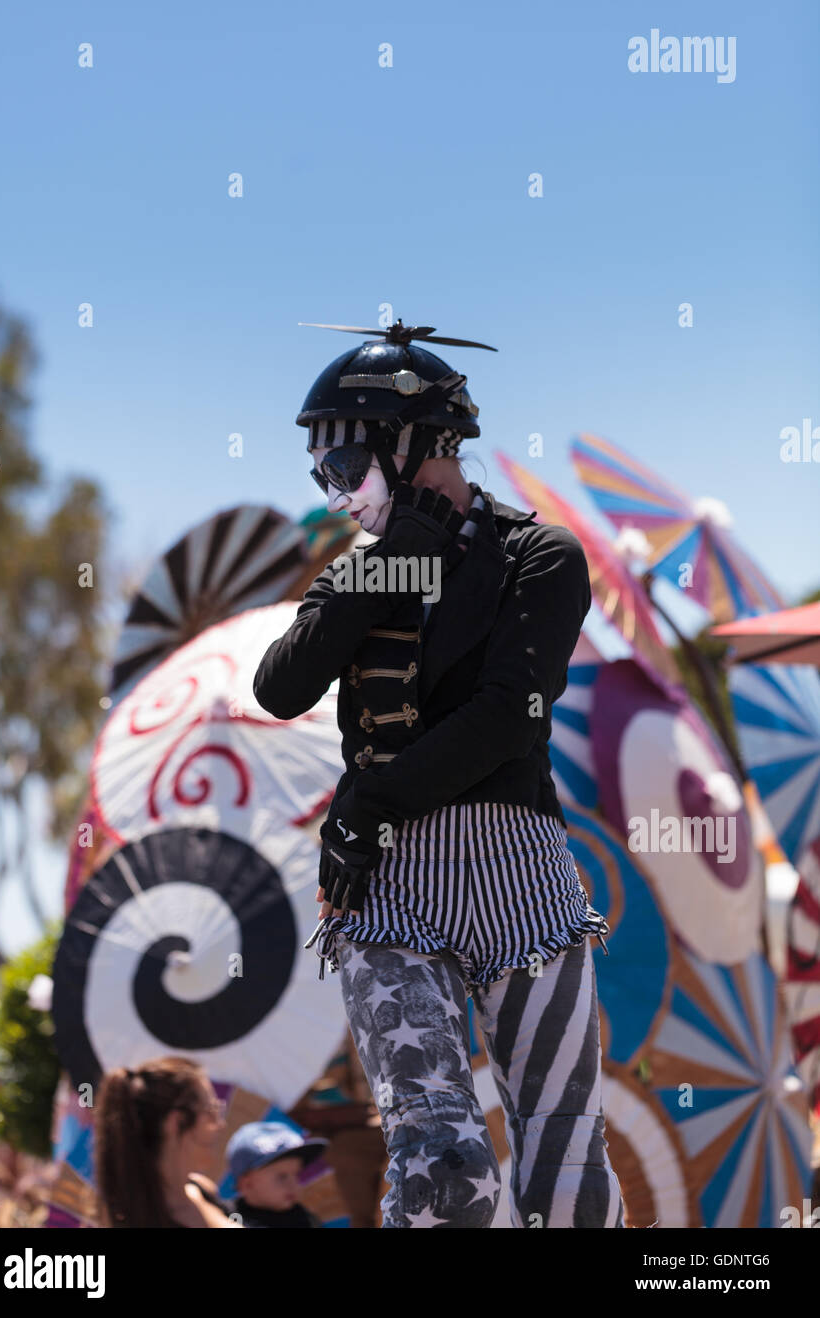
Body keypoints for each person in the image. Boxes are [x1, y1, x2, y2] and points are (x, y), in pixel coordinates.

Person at [253, 320, 626, 1229]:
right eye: (324, 475)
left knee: (566, 1151)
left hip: (520, 877)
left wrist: (370, 798)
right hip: (389, 886)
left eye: (344, 467)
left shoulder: (541, 555)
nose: (337, 493)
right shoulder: (358, 570)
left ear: (414, 444)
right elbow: (280, 686)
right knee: (443, 1158)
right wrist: (391, 565)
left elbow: (509, 713)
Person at [93, 1055, 242, 1228]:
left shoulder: (199, 1188)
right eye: (212, 1111)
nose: (220, 1125)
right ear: (176, 1122)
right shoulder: (148, 1218)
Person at [225, 1121, 327, 1229]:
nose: (294, 1185)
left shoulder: (306, 1221)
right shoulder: (227, 1216)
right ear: (247, 1184)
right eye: (282, 1176)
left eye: (296, 1174)